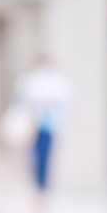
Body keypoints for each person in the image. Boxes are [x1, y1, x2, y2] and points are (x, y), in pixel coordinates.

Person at [13, 56, 71, 193]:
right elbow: (22, 101)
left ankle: (41, 188)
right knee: (35, 157)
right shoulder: (30, 80)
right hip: (34, 124)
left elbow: (65, 103)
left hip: (48, 125)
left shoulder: (56, 82)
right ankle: (38, 187)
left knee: (43, 157)